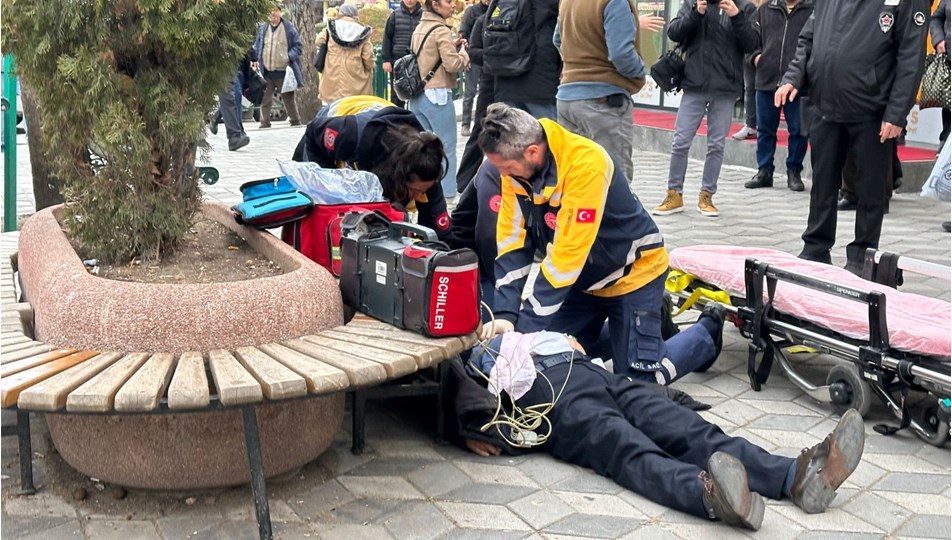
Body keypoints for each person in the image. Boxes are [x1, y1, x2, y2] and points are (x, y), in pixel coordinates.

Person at [450, 330, 867, 531]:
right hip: (546, 395)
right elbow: (444, 383)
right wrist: (473, 425)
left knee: (688, 428)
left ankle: (795, 477)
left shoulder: (534, 322)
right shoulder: (464, 346)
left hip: (596, 374)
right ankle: (710, 495)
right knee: (625, 446)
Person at [476, 104, 722, 384]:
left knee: (638, 384)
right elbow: (512, 242)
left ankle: (706, 333)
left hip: (633, 276)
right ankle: (646, 326)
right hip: (584, 282)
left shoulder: (586, 165)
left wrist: (524, 329)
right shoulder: (517, 170)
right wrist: (507, 315)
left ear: (532, 152)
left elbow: (566, 259)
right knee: (547, 357)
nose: (502, 176)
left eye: (505, 168)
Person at [776, 0, 929, 273]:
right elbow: (808, 39)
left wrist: (896, 113)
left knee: (870, 191)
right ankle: (815, 248)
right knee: (822, 183)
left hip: (872, 110)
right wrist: (793, 76)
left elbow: (911, 55)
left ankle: (863, 257)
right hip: (826, 103)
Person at [291, 95, 453, 242]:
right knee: (328, 210)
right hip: (330, 128)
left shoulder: (425, 163)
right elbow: (313, 131)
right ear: (399, 176)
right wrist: (330, 188)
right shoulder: (351, 135)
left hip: (382, 156)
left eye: (422, 191)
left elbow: (438, 229)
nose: (418, 197)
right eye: (414, 191)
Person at [653, 0, 759, 218]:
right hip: (694, 83)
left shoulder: (744, 7)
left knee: (716, 145)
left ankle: (707, 195)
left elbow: (753, 43)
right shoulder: (693, 3)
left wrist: (737, 16)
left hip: (725, 87)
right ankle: (674, 194)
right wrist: (695, 13)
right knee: (680, 141)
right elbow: (673, 32)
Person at [553, 0, 658, 183]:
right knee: (613, 181)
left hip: (567, 98)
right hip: (603, 99)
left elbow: (557, 39)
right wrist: (641, 71)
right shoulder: (614, 2)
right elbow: (621, 54)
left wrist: (574, 66)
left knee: (575, 177)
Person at [744, 0, 813, 192]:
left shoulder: (812, 10)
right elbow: (750, 40)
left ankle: (794, 172)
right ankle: (764, 171)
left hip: (797, 85)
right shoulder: (765, 9)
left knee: (798, 131)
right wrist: (757, 58)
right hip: (766, 80)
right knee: (765, 130)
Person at [408, 0, 470, 199]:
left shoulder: (419, 27)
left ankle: (425, 190)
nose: (453, 5)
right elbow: (452, 64)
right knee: (447, 148)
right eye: (448, 1)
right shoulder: (441, 30)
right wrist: (463, 55)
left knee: (423, 148)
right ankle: (448, 193)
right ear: (435, 5)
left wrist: (451, 47)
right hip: (437, 95)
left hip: (418, 95)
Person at [491, 0, 561, 121]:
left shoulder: (500, 2)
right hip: (541, 83)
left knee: (511, 136)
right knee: (547, 135)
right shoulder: (549, 4)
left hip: (505, 82)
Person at [455, 11, 497, 193]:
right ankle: (463, 181)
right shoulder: (480, 19)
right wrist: (495, 55)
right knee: (480, 131)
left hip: (513, 85)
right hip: (489, 82)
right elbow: (474, 51)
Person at [253, 4, 304, 128]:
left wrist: (288, 56)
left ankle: (295, 120)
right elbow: (257, 46)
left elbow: (298, 47)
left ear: (280, 12)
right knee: (265, 99)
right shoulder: (263, 28)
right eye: (270, 11)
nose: (272, 14)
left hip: (283, 72)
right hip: (266, 72)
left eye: (275, 11)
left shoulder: (289, 28)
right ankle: (264, 122)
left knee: (288, 99)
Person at [315, 4, 374, 104]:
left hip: (332, 72)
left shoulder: (331, 27)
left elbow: (318, 41)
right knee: (352, 106)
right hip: (354, 74)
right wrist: (370, 67)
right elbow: (368, 57)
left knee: (333, 107)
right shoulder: (362, 31)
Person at [382, 0, 423, 109]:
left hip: (418, 61)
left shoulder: (424, 15)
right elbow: (387, 38)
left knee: (418, 94)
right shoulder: (395, 15)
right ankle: (397, 122)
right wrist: (386, 60)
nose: (409, 1)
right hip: (398, 62)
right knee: (397, 95)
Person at [458, 0, 490, 137]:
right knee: (470, 93)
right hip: (474, 57)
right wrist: (466, 55)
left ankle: (487, 124)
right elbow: (463, 33)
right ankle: (466, 124)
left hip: (489, 59)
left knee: (487, 93)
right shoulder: (472, 11)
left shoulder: (498, 9)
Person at [931, 0, 950, 147]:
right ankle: (946, 141)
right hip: (949, 59)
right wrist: (938, 40)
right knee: (949, 103)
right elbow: (936, 18)